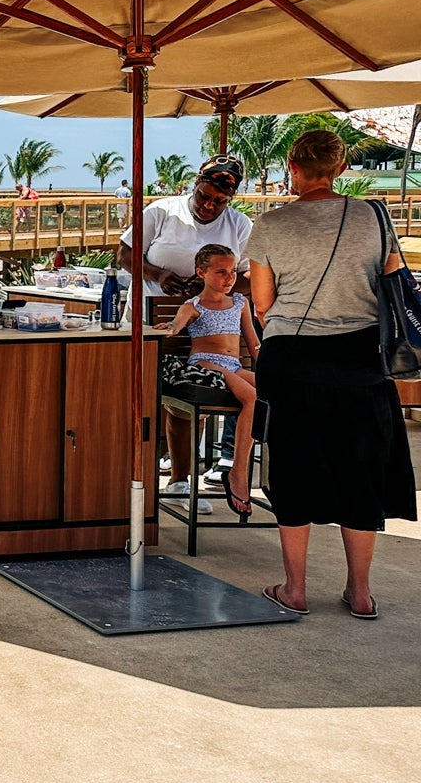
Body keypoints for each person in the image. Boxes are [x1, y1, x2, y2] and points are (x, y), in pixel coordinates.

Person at [247, 130, 415, 619]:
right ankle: (360, 593)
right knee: (362, 471)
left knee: (294, 469)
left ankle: (295, 589)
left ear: (292, 167)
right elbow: (391, 280)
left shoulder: (270, 224)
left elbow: (262, 303)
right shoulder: (372, 216)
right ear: (340, 169)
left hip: (293, 358)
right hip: (362, 358)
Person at [119, 154, 252, 500]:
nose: (209, 205)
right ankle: (130, 469)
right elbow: (124, 254)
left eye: (219, 201)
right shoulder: (163, 212)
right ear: (194, 185)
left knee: (185, 400)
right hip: (151, 319)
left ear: (231, 199)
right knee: (137, 396)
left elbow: (249, 278)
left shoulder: (239, 226)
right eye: (204, 196)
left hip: (204, 331)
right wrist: (158, 275)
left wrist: (209, 287)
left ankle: (181, 475)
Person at [164, 244, 260, 517]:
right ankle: (237, 472)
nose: (229, 278)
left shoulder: (240, 303)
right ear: (201, 273)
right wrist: (169, 328)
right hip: (206, 364)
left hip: (233, 366)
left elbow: (253, 344)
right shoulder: (193, 306)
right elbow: (176, 325)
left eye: (231, 272)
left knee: (278, 392)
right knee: (251, 398)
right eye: (221, 272)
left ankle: (281, 470)